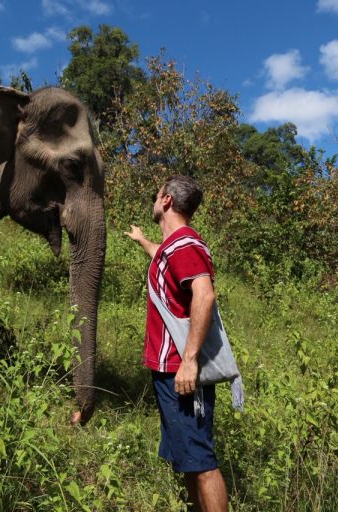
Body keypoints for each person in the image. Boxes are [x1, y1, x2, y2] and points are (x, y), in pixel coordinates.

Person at [124, 175, 228, 512]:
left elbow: (204, 293)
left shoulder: (185, 245)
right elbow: (162, 257)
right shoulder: (173, 248)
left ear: (166, 200)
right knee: (187, 458)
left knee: (201, 460)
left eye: (157, 196)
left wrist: (190, 360)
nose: (154, 201)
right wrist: (142, 240)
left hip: (180, 370)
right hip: (167, 370)